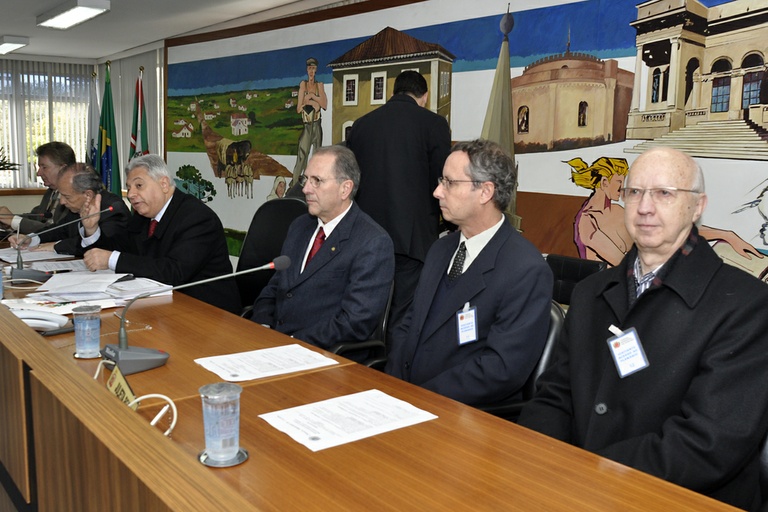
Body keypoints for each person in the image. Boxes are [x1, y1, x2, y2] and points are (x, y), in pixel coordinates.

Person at [518, 147, 768, 511]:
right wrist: (534, 466)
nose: (644, 207)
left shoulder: (745, 305)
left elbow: (708, 442)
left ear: (698, 206)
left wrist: (590, 475)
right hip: (570, 488)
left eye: (664, 193)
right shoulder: (591, 293)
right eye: (634, 192)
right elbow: (554, 396)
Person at [385, 139, 553, 406]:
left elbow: (501, 369)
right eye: (441, 180)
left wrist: (422, 398)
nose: (437, 191)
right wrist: (392, 386)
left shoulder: (525, 269)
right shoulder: (441, 249)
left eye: (450, 183)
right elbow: (408, 324)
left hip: (463, 415)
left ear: (485, 192)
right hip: (405, 399)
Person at [250, 145, 394, 353]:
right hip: (275, 345)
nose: (306, 189)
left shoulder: (372, 242)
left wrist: (292, 342)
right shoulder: (300, 226)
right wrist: (263, 326)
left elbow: (353, 322)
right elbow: (276, 287)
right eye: (305, 179)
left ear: (345, 188)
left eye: (317, 181)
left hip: (324, 355)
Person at [347, 70, 451, 334]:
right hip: (412, 240)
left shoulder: (361, 125)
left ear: (394, 92)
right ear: (424, 96)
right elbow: (440, 182)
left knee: (364, 308)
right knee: (402, 317)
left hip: (364, 237)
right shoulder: (435, 124)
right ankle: (390, 372)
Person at [80, 154, 240, 314]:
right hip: (164, 306)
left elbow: (173, 272)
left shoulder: (197, 217)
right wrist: (92, 230)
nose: (130, 194)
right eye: (129, 188)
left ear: (163, 184)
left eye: (139, 186)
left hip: (209, 312)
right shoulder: (144, 215)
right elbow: (120, 248)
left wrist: (111, 259)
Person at [9, 163, 129, 255]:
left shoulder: (112, 209)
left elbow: (101, 246)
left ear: (88, 195)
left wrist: (56, 246)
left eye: (66, 196)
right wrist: (31, 238)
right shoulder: (77, 207)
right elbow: (60, 229)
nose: (62, 201)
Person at [0, 141, 76, 233]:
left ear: (63, 168)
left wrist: (13, 220)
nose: (38, 173)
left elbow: (57, 231)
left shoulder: (75, 195)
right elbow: (35, 217)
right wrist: (6, 219)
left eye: (44, 167)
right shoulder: (51, 192)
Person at [290, 57, 327, 187]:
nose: (312, 71)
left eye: (314, 68)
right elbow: (299, 108)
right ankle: (295, 185)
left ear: (316, 70)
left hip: (316, 125)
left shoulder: (319, 86)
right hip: (307, 125)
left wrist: (311, 97)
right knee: (302, 155)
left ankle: (314, 185)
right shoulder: (303, 85)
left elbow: (324, 105)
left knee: (316, 156)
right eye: (310, 68)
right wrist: (311, 102)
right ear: (307, 69)